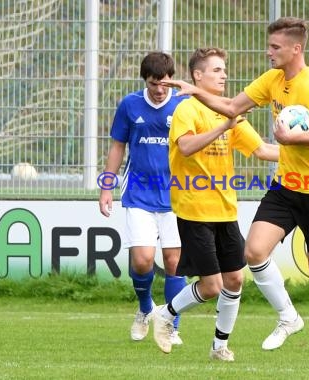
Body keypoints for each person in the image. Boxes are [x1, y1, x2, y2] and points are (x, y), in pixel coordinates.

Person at [162, 17, 309, 364]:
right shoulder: (273, 80)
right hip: (285, 187)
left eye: (275, 47)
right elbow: (233, 108)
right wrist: (196, 92)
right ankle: (288, 317)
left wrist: (294, 138)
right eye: (269, 46)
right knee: (254, 251)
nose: (268, 52)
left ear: (296, 49)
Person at [151, 47, 279, 361]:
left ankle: (219, 346)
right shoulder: (187, 109)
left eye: (224, 70)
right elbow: (185, 148)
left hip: (225, 210)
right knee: (210, 287)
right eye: (217, 70)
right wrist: (224, 126)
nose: (224, 75)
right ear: (198, 76)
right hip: (194, 209)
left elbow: (262, 149)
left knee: (235, 279)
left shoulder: (227, 108)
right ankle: (165, 315)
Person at [99, 52, 187, 345]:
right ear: (145, 81)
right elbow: (117, 147)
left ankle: (171, 325)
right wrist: (106, 187)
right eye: (153, 84)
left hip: (178, 195)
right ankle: (145, 308)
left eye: (164, 84)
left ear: (171, 79)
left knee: (174, 261)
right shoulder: (130, 104)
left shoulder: (185, 104)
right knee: (142, 260)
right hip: (139, 193)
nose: (159, 90)